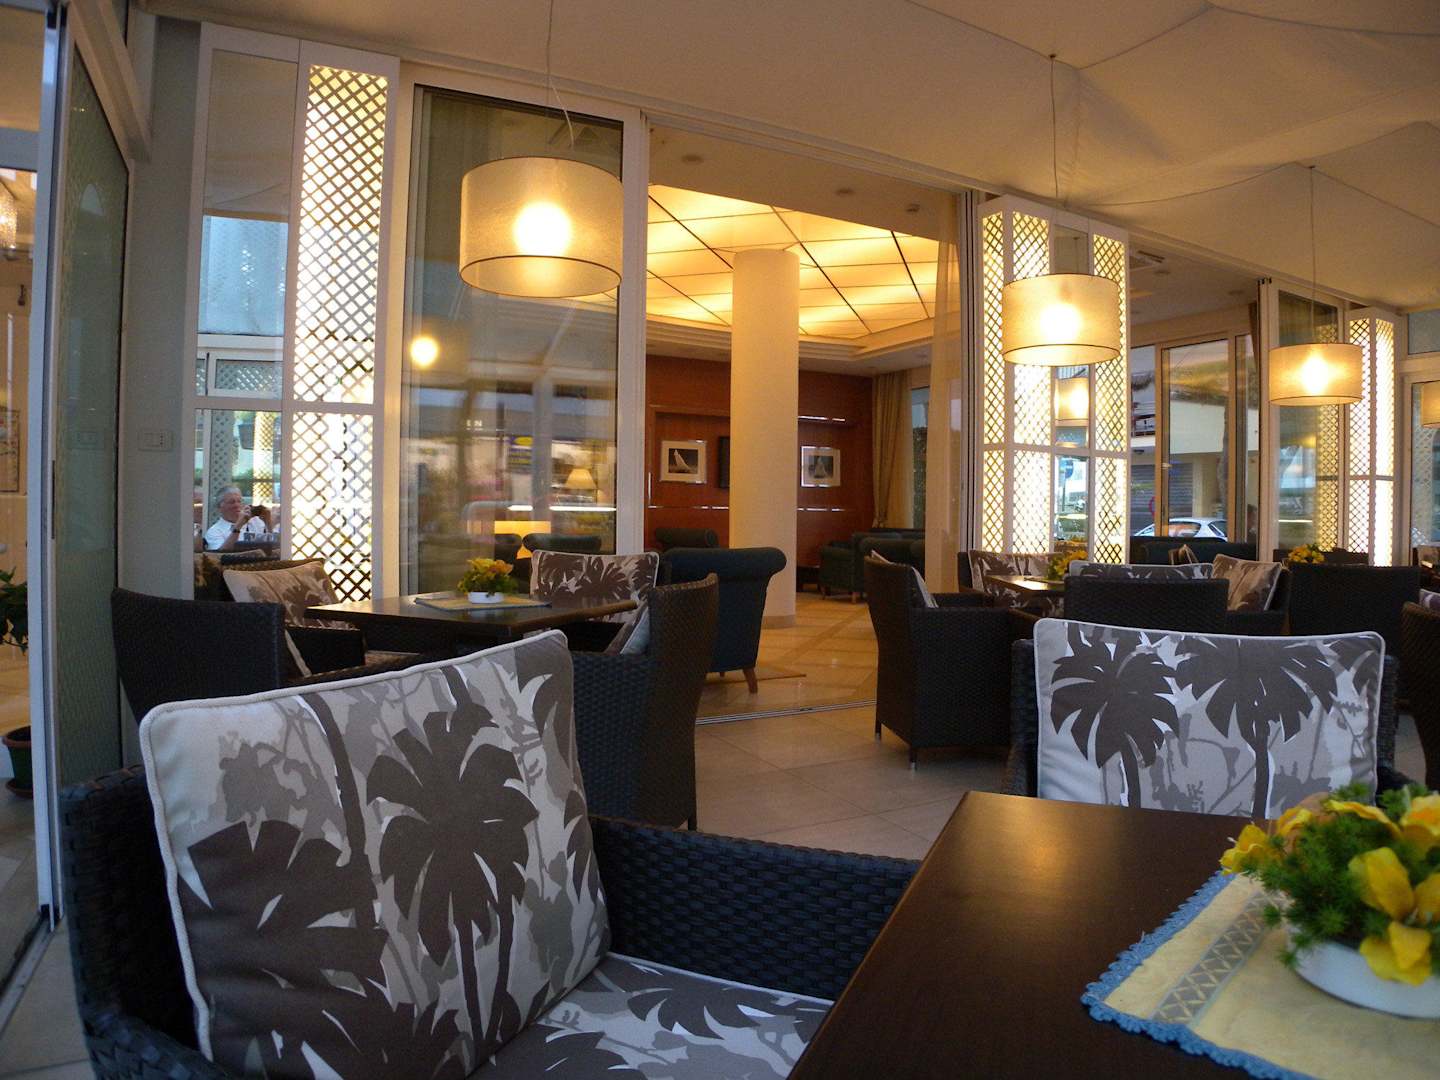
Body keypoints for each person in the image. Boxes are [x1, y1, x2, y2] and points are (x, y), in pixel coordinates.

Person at [203, 486, 268, 551]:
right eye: (231, 502)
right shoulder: (214, 531)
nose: (237, 505)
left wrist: (268, 522)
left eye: (239, 501)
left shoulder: (255, 521)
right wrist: (238, 526)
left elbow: (270, 546)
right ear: (220, 507)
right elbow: (220, 554)